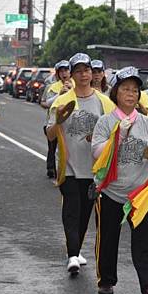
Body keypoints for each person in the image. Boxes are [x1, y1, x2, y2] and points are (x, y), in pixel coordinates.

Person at [91, 66, 148, 294]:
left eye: (135, 90)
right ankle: (106, 280)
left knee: (145, 242)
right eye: (126, 89)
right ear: (115, 92)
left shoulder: (146, 123)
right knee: (108, 239)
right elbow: (97, 153)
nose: (131, 94)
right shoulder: (105, 121)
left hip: (139, 194)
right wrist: (118, 136)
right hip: (111, 191)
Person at [45, 53, 115, 275]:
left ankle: (76, 248)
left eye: (87, 70)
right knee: (71, 210)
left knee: (85, 213)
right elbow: (49, 135)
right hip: (69, 166)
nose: (84, 74)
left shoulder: (104, 101)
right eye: (79, 71)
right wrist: (58, 123)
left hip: (94, 169)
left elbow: (116, 131)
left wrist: (98, 138)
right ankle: (73, 255)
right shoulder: (61, 101)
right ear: (72, 74)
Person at [41, 60, 73, 179]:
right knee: (53, 147)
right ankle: (51, 169)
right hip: (53, 122)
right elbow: (45, 103)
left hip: (70, 123)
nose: (64, 73)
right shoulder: (52, 87)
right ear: (58, 74)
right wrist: (59, 95)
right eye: (61, 71)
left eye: (66, 70)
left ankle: (66, 170)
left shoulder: (76, 85)